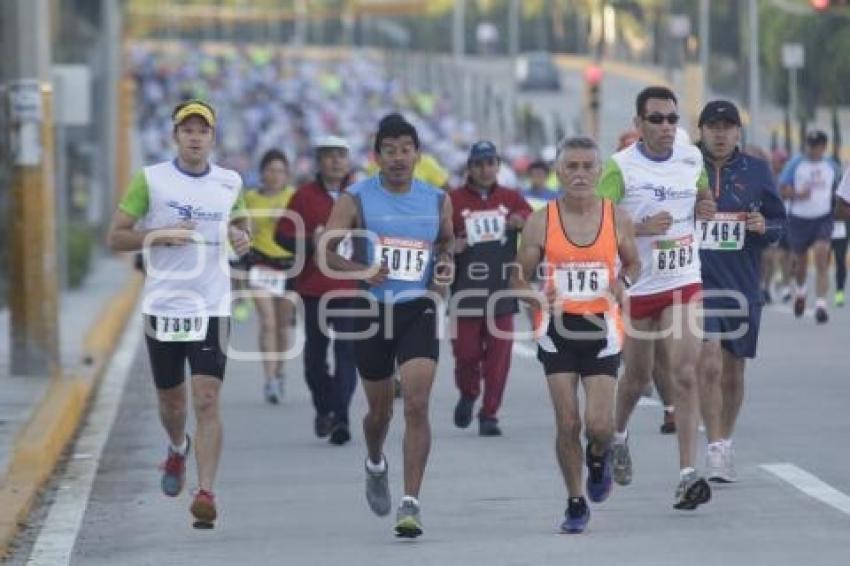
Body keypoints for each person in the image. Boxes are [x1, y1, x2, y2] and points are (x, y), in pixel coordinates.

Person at [107, 100, 251, 529]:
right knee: (172, 403)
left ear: (212, 137)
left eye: (202, 131)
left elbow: (241, 226)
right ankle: (176, 447)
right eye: (187, 130)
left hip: (212, 305)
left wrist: (242, 238)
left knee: (206, 399)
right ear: (175, 136)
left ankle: (205, 492)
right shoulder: (151, 180)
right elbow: (116, 237)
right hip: (164, 305)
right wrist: (159, 235)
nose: (194, 137)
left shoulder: (230, 182)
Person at [320, 114, 454, 538]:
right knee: (379, 412)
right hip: (372, 311)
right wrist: (361, 269)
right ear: (377, 156)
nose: (398, 158)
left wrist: (445, 264)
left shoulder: (437, 199)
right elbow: (327, 250)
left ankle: (410, 502)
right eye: (389, 150)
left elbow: (447, 242)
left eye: (405, 149)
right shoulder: (356, 198)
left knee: (416, 403)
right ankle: (375, 460)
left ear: (417, 153)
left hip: (418, 308)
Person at [596, 86, 717, 510]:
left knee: (685, 372)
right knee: (637, 379)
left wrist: (705, 205)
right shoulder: (619, 168)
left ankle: (687, 475)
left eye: (672, 119)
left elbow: (702, 193)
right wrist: (639, 229)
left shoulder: (691, 158)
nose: (667, 127)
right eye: (657, 119)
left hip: (684, 280)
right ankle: (617, 437)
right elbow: (596, 223)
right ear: (638, 125)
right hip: (638, 287)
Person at [513, 136, 640, 533]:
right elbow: (516, 279)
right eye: (573, 167)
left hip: (603, 328)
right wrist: (536, 297)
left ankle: (599, 457)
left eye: (588, 166)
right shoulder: (541, 220)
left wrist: (624, 283)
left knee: (598, 425)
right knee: (567, 422)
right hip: (557, 330)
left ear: (599, 172)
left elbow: (633, 263)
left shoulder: (616, 217)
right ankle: (574, 501)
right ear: (559, 171)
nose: (581, 174)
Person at [694, 101, 786, 483]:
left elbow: (781, 224)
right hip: (697, 284)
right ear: (701, 131)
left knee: (733, 371)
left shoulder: (757, 171)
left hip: (742, 286)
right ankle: (714, 447)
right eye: (712, 126)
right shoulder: (684, 169)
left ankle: (725, 440)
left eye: (727, 126)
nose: (719, 133)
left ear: (738, 133)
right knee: (709, 360)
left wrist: (764, 225)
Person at [276, 136, 359, 445]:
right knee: (314, 358)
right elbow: (281, 236)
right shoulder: (303, 197)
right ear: (319, 161)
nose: (336, 161)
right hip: (315, 288)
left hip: (352, 288)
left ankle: (341, 418)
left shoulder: (361, 195)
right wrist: (311, 241)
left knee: (347, 353)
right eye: (329, 156)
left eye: (341, 155)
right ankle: (325, 407)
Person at [449, 141, 532, 436]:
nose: (485, 169)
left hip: (502, 293)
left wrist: (521, 222)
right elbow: (438, 239)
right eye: (479, 164)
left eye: (490, 163)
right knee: (466, 355)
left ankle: (489, 414)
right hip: (466, 294)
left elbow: (533, 225)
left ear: (498, 166)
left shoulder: (512, 198)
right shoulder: (453, 200)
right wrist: (451, 245)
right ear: (469, 168)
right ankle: (469, 393)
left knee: (499, 359)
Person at [244, 149, 296, 405]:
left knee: (283, 325)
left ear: (287, 175)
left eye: (280, 171)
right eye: (270, 170)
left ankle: (280, 370)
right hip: (261, 265)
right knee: (268, 323)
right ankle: (270, 379)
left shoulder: (294, 197)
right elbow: (239, 228)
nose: (274, 176)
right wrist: (246, 229)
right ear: (262, 173)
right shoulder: (250, 198)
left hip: (288, 267)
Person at [778, 130, 842, 323]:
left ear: (824, 147)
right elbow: (782, 190)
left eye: (817, 146)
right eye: (810, 145)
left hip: (823, 218)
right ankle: (801, 291)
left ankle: (821, 304)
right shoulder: (795, 164)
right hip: (799, 219)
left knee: (822, 256)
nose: (812, 149)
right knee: (800, 264)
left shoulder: (832, 165)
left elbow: (840, 190)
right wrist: (797, 193)